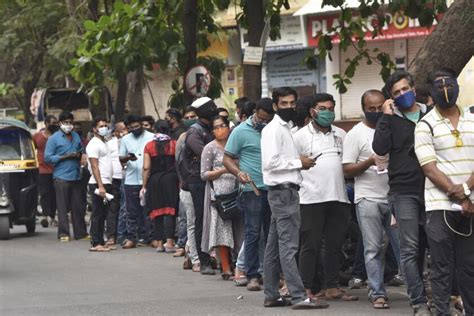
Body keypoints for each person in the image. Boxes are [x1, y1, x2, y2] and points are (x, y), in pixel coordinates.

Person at [261, 87, 328, 309]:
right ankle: (299, 296)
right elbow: (270, 163)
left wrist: (298, 161)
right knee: (289, 247)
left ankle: (272, 294)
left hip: (282, 192)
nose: (289, 107)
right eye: (284, 103)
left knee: (274, 248)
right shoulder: (274, 129)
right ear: (275, 106)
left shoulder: (285, 128)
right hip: (284, 192)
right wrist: (299, 163)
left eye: (292, 103)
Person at [414, 67, 474, 315]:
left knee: (470, 266)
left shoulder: (473, 117)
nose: (446, 90)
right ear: (432, 92)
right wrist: (457, 192)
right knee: (441, 266)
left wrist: (468, 191)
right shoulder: (425, 125)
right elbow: (429, 168)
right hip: (439, 205)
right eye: (440, 86)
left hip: (470, 204)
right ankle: (441, 310)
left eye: (450, 84)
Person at [372, 70, 431, 315]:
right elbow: (379, 148)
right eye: (396, 93)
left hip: (433, 189)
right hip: (403, 191)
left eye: (405, 89)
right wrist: (385, 117)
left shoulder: (430, 116)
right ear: (391, 99)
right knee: (409, 248)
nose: (402, 95)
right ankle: (418, 302)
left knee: (433, 246)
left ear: (414, 89)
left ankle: (438, 295)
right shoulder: (391, 119)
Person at [293, 93, 357, 302]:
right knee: (309, 245)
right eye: (322, 108)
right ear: (312, 111)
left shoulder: (341, 134)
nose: (327, 112)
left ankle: (332, 287)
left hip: (338, 197)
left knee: (334, 244)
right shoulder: (300, 136)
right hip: (310, 198)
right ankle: (306, 288)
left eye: (330, 108)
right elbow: (291, 165)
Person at [342, 90, 401, 309]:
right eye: (371, 109)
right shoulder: (355, 134)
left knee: (403, 247)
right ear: (363, 109)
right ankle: (377, 292)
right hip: (367, 198)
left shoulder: (395, 126)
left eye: (380, 108)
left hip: (395, 197)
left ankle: (417, 292)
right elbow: (347, 170)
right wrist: (369, 162)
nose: (376, 112)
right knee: (373, 248)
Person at [223, 97, 274, 291]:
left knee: (272, 234)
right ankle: (252, 275)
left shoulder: (276, 129)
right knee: (253, 232)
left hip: (275, 188)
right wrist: (238, 173)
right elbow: (227, 158)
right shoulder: (240, 131)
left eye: (267, 120)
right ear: (255, 112)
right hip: (252, 190)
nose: (263, 123)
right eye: (261, 118)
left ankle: (272, 274)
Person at [201, 116, 242, 280]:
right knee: (222, 232)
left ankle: (241, 266)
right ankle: (226, 267)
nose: (220, 129)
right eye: (216, 127)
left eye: (223, 125)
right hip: (218, 196)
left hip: (237, 191)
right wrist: (224, 170)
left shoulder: (236, 146)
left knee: (240, 231)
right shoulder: (209, 148)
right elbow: (204, 174)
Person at [181, 97, 218, 275]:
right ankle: (203, 261)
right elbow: (205, 154)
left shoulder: (212, 127)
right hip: (198, 180)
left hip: (215, 178)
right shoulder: (194, 133)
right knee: (201, 220)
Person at [44, 111, 88, 242]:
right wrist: (65, 156)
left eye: (71, 122)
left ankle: (80, 233)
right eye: (66, 123)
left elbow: (81, 150)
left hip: (76, 175)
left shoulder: (75, 136)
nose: (69, 125)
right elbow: (47, 158)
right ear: (60, 123)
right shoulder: (53, 139)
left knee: (78, 206)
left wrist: (79, 155)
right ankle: (63, 233)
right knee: (62, 207)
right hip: (61, 177)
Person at [119, 115, 154, 249]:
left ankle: (150, 237)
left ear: (142, 124)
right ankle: (131, 238)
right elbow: (121, 158)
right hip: (131, 179)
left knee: (148, 210)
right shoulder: (125, 139)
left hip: (148, 178)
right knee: (131, 211)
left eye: (137, 126)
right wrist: (128, 157)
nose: (135, 129)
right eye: (132, 128)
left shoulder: (151, 137)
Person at [142, 128, 179, 253]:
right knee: (170, 211)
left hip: (154, 181)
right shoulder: (174, 144)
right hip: (171, 180)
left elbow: (146, 167)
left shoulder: (149, 146)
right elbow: (178, 162)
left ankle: (159, 244)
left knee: (156, 212)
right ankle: (169, 243)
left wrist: (144, 185)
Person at [176, 106, 200, 269]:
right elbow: (179, 165)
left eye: (194, 116)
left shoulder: (202, 136)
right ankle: (193, 256)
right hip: (188, 186)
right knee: (191, 221)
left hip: (201, 185)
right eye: (188, 116)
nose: (191, 119)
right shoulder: (183, 138)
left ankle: (191, 252)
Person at [86, 116, 114, 252]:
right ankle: (95, 242)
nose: (104, 128)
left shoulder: (104, 143)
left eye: (105, 126)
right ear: (94, 129)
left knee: (103, 214)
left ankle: (101, 241)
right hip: (98, 182)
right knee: (97, 213)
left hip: (106, 181)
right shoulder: (93, 144)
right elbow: (94, 166)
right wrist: (100, 185)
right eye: (101, 126)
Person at [33, 115, 59, 228]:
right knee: (44, 193)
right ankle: (45, 215)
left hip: (57, 170)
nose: (55, 125)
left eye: (56, 123)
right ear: (46, 123)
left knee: (54, 195)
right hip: (42, 170)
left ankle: (51, 216)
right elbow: (31, 148)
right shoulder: (37, 136)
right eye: (53, 122)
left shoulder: (58, 137)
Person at [105, 120, 126, 245]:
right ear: (116, 132)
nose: (124, 132)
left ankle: (124, 235)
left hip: (127, 178)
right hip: (114, 179)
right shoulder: (110, 144)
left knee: (126, 208)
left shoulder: (129, 142)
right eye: (122, 130)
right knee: (113, 208)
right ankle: (111, 235)